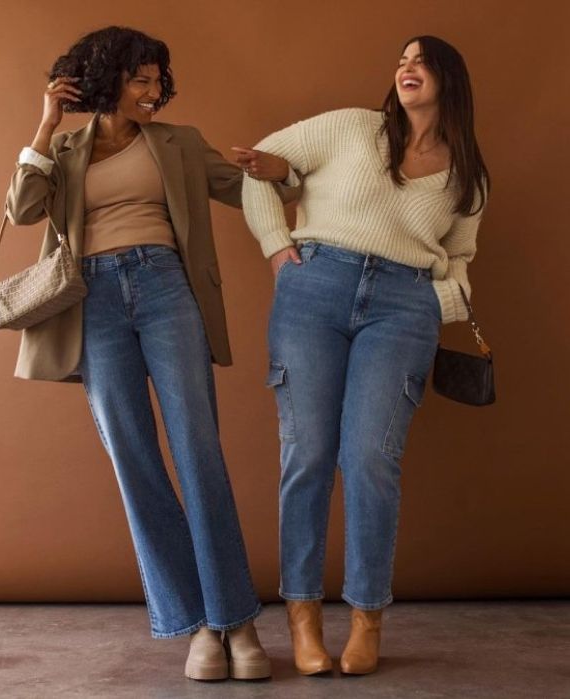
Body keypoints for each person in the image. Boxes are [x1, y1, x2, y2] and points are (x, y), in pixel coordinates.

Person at [4, 26, 298, 682]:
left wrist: (280, 172)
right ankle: (197, 623)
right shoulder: (67, 148)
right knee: (134, 460)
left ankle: (237, 619)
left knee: (198, 451)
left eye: (156, 79)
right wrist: (46, 123)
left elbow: (251, 188)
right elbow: (22, 209)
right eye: (140, 77)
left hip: (166, 288)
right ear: (106, 80)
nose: (152, 90)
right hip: (94, 300)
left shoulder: (177, 143)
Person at [236, 35, 488, 676]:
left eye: (421, 60)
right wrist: (275, 247)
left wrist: (439, 304)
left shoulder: (467, 175)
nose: (407, 68)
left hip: (405, 305)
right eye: (402, 59)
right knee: (309, 453)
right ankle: (302, 616)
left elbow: (460, 259)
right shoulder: (349, 128)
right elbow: (259, 167)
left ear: (448, 79)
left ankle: (368, 616)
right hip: (314, 286)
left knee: (372, 458)